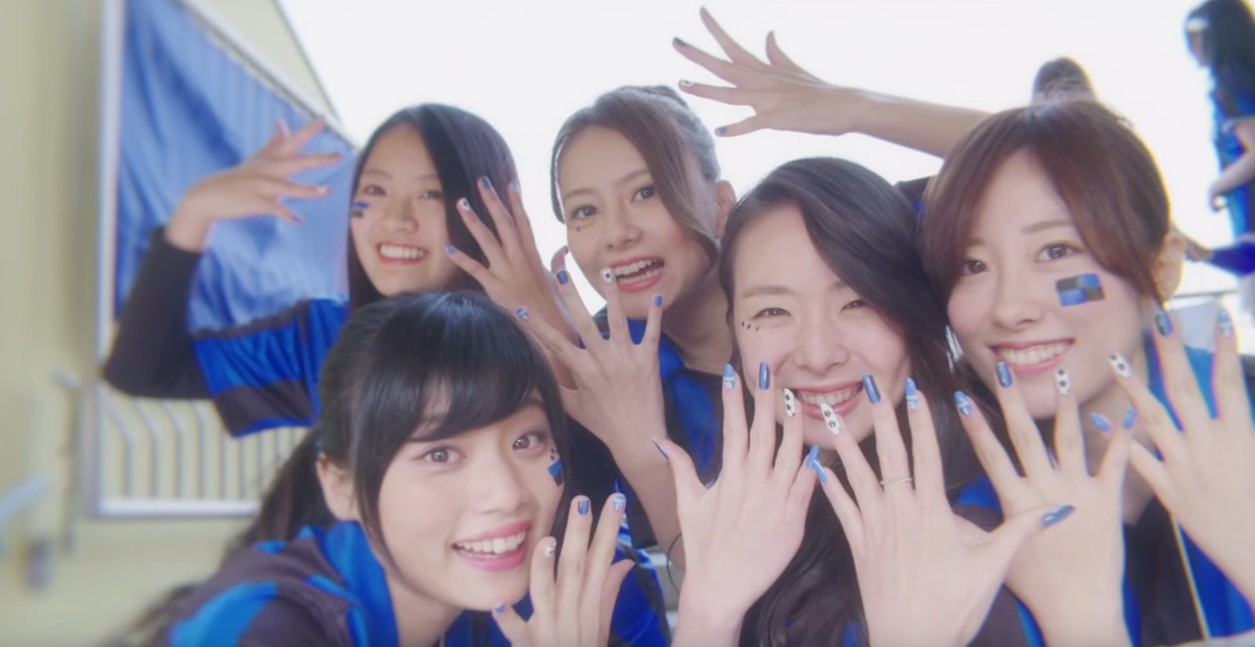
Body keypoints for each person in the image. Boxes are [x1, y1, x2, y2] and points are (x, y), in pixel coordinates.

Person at [657, 157, 1084, 646]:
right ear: (734, 326)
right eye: (773, 310)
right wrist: (708, 614)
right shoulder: (749, 499)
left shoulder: (983, 522)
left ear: (914, 307)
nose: (818, 355)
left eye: (858, 302)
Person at [922, 99, 1255, 645]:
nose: (1010, 307)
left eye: (1057, 250)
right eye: (972, 264)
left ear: (1162, 267)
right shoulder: (947, 511)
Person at [156, 292, 667, 646]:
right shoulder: (268, 627)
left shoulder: (543, 599)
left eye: (526, 440)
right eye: (440, 454)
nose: (506, 493)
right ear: (341, 486)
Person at [104, 104, 560, 436]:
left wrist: (550, 333)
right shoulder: (323, 337)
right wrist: (196, 212)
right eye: (375, 190)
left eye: (431, 194)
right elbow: (144, 372)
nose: (395, 220)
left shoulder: (552, 335)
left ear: (490, 209)